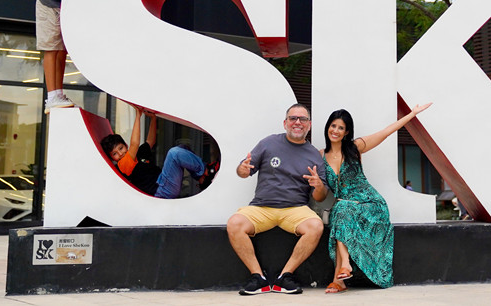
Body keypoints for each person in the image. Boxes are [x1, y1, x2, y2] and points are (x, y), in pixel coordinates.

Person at [322, 103, 431, 294]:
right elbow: (319, 190)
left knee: (340, 209)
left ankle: (340, 276)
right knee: (341, 209)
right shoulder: (320, 156)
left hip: (370, 204)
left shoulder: (355, 147)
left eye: (341, 127)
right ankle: (343, 270)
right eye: (333, 126)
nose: (336, 131)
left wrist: (412, 114)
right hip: (346, 207)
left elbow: (386, 132)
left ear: (347, 132)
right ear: (327, 127)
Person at [227, 104, 329, 295]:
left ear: (309, 125)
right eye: (293, 118)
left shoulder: (314, 154)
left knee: (316, 226)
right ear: (285, 123)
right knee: (234, 223)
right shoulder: (268, 143)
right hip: (262, 208)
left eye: (303, 119)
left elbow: (320, 196)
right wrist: (242, 169)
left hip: (295, 209)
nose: (297, 122)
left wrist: (319, 185)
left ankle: (285, 277)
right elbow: (244, 171)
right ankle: (258, 278)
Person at [99, 107, 209, 199]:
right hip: (161, 191)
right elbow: (135, 143)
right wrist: (138, 115)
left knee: (182, 148)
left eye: (121, 148)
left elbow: (150, 141)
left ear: (125, 146)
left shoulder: (139, 153)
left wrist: (153, 119)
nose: (120, 154)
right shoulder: (123, 166)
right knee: (174, 153)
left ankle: (201, 178)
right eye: (115, 154)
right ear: (112, 158)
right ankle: (206, 171)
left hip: (165, 182)